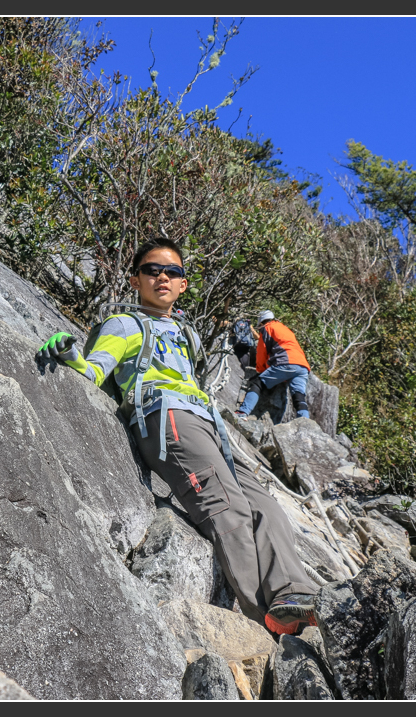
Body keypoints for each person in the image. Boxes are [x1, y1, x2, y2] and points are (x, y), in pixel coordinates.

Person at [37, 237, 320, 635]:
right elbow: (94, 372)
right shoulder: (124, 323)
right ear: (135, 280)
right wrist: (71, 357)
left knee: (267, 508)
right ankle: (267, 624)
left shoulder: (186, 333)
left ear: (184, 284)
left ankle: (292, 594)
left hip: (208, 423)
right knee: (230, 508)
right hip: (165, 416)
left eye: (173, 271)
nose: (163, 277)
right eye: (152, 270)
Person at [235, 311, 311, 420]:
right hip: (302, 366)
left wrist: (260, 370)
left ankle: (243, 412)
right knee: (299, 397)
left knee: (258, 383)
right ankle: (306, 423)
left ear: (261, 323)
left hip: (286, 362)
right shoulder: (285, 328)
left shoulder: (267, 328)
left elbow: (261, 352)